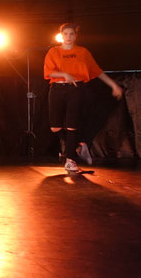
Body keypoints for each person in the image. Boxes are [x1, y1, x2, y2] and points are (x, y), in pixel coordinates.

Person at [44, 23, 123, 173]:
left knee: (71, 125)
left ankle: (70, 160)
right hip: (57, 89)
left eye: (71, 34)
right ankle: (79, 147)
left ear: (76, 36)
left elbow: (97, 71)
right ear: (61, 35)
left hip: (76, 89)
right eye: (65, 34)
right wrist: (65, 74)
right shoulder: (53, 51)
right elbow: (49, 72)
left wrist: (114, 85)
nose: (68, 37)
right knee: (55, 127)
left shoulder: (83, 52)